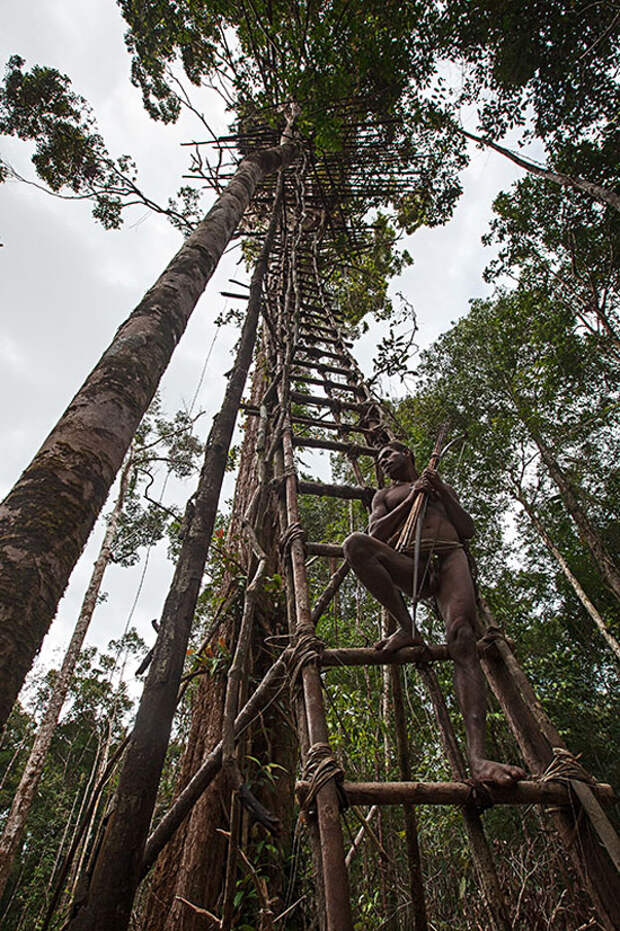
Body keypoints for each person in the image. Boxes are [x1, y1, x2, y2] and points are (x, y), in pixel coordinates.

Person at [343, 440, 525, 787]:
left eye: (389, 454)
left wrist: (438, 488)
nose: (384, 461)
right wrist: (411, 499)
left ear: (407, 454)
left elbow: (467, 530)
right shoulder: (384, 496)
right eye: (380, 459)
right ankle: (407, 626)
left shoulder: (438, 485)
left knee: (463, 638)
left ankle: (478, 759)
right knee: (354, 545)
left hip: (450, 558)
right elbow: (375, 533)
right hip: (412, 564)